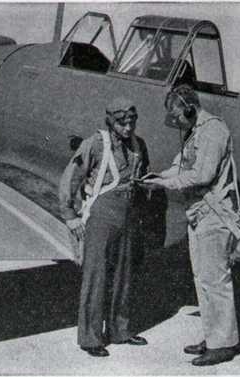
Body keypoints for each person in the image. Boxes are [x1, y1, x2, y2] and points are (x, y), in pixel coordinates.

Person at [143, 84, 240, 366]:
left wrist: (166, 183)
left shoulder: (213, 131)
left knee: (215, 279)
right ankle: (214, 336)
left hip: (215, 214)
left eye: (177, 116)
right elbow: (180, 166)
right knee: (202, 278)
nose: (175, 122)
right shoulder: (194, 131)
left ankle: (224, 344)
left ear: (190, 108)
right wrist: (158, 177)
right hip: (198, 214)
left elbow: (201, 175)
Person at [59, 97, 149, 357]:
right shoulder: (95, 144)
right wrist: (70, 215)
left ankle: (121, 330)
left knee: (124, 275)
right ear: (111, 121)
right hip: (101, 214)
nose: (128, 128)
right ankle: (90, 338)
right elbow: (71, 179)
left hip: (129, 214)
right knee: (96, 277)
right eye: (122, 123)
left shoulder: (138, 145)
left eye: (132, 122)